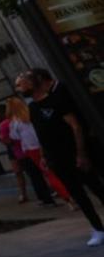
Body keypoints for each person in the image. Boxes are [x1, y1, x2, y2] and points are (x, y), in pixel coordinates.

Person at [16, 69, 104, 246]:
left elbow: (76, 127)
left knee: (97, 188)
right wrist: (43, 156)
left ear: (35, 82)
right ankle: (97, 228)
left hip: (73, 154)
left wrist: (81, 153)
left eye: (21, 83)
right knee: (78, 195)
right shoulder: (32, 107)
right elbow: (41, 134)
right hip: (56, 159)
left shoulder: (57, 99)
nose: (18, 88)